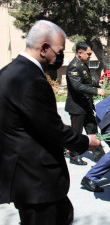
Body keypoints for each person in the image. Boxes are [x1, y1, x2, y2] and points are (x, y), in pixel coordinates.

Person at [0, 20, 102, 225]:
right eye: (59, 51)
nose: (60, 56)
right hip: (37, 180)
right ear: (44, 48)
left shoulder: (8, 72)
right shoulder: (32, 80)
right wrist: (85, 142)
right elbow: (51, 128)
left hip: (24, 176)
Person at [65, 42, 105, 165]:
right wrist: (96, 91)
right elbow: (77, 86)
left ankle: (100, 155)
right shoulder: (73, 66)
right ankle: (73, 155)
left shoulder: (82, 64)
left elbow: (86, 81)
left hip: (86, 104)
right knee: (76, 132)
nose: (90, 56)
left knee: (92, 128)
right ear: (79, 53)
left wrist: (96, 83)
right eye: (88, 54)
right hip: (77, 106)